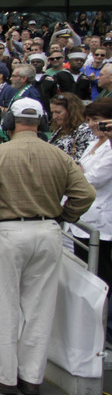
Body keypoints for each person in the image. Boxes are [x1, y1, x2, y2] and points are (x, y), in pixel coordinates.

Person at [0, 98, 95, 395]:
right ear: (42, 123)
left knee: (5, 306)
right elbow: (85, 193)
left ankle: (3, 375)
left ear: (9, 123)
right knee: (40, 308)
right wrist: (65, 217)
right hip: (48, 231)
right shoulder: (59, 156)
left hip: (8, 233)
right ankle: (32, 376)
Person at [67, 100, 112, 347]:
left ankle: (105, 331)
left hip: (102, 223)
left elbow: (92, 178)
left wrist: (76, 171)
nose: (94, 125)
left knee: (102, 278)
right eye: (92, 120)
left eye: (99, 121)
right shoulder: (96, 144)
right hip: (84, 219)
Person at [47, 93, 94, 162]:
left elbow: (82, 160)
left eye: (58, 112)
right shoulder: (60, 129)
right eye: (52, 113)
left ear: (71, 112)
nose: (54, 117)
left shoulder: (85, 130)